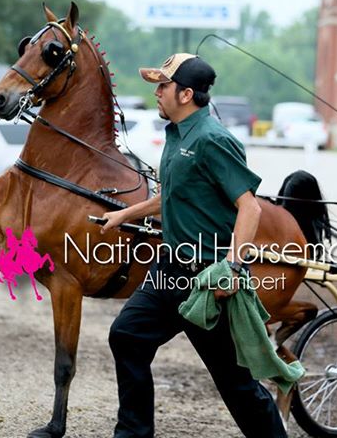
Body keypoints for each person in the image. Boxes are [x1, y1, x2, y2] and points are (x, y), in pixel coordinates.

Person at [100, 53, 287, 438]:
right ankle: (133, 434)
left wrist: (232, 270)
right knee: (126, 336)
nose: (156, 92)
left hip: (208, 284)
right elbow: (171, 194)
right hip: (168, 274)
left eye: (163, 86)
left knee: (237, 387)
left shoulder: (212, 140)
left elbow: (249, 207)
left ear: (185, 94)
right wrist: (123, 214)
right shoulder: (176, 135)